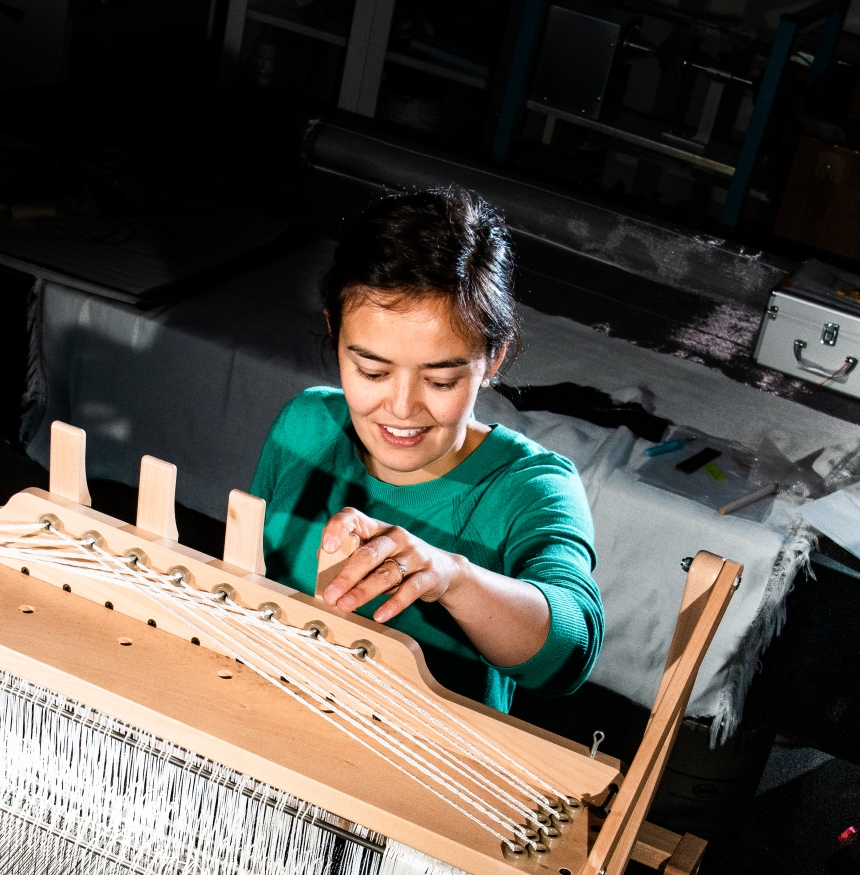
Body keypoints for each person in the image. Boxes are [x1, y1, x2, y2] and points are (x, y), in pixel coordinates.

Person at [247, 186, 603, 713]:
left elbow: (568, 655)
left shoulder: (530, 487)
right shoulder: (306, 426)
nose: (402, 407)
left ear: (493, 359)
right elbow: (247, 585)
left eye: (440, 381)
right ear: (334, 331)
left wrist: (451, 576)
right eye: (372, 371)